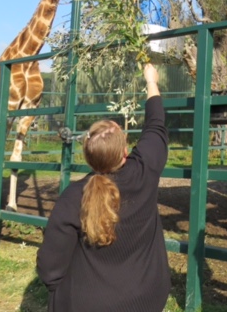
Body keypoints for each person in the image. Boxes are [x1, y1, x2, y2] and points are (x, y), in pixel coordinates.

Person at [36, 63, 171, 312]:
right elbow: (156, 125)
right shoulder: (145, 171)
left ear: (89, 158)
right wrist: (151, 81)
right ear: (125, 151)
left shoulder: (73, 197)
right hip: (147, 298)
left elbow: (50, 267)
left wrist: (61, 294)